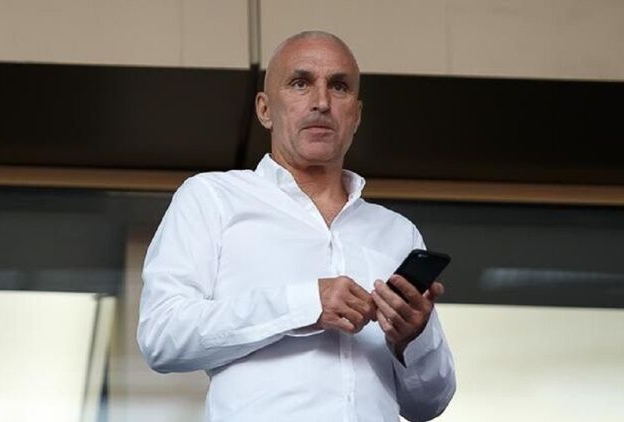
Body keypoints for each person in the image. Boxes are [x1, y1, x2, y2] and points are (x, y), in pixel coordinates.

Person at [138, 31, 456, 422]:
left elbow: (429, 405)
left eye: (339, 86)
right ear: (265, 109)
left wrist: (414, 338)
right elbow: (162, 336)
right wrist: (307, 304)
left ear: (356, 115)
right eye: (300, 83)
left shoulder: (396, 232)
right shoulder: (212, 198)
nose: (321, 102)